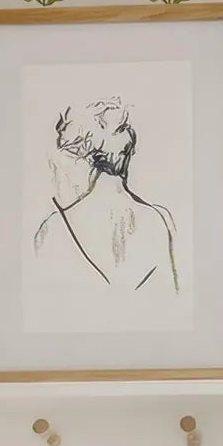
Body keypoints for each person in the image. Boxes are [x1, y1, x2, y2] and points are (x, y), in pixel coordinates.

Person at [32, 96, 179, 297]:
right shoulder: (159, 219)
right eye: (130, 149)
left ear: (89, 156)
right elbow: (172, 297)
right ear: (128, 152)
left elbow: (44, 300)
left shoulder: (53, 226)